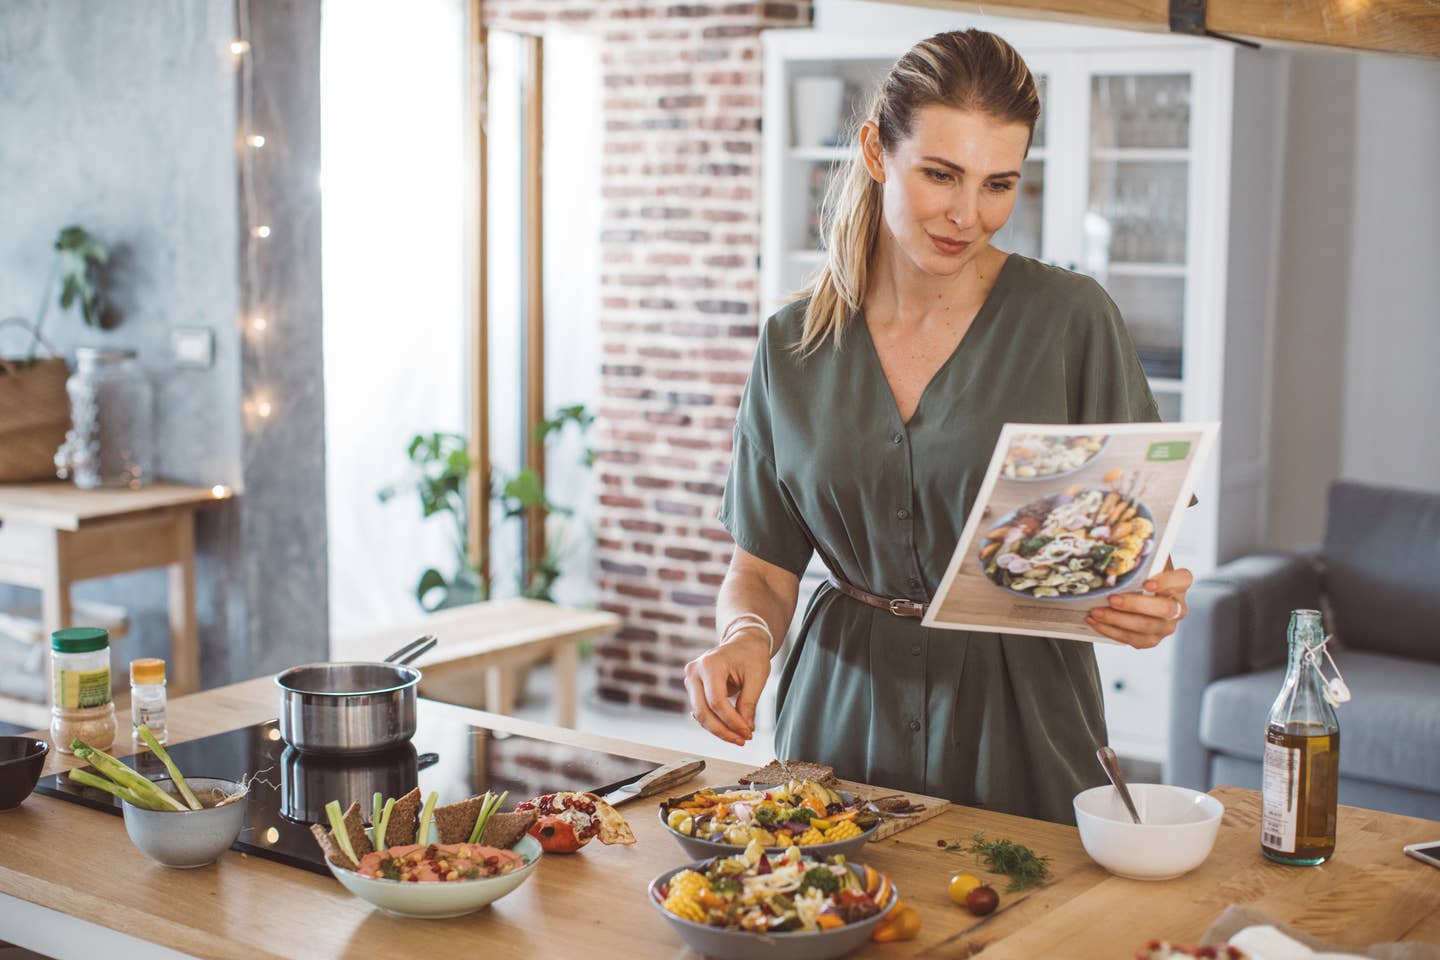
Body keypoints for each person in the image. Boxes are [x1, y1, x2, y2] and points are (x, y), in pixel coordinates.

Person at [683, 29, 1195, 824]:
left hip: (1027, 720)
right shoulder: (791, 344)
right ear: (877, 152)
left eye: (999, 184)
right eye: (941, 175)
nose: (968, 215)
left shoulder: (1071, 319)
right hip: (840, 716)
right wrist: (748, 635)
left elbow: (1132, 544)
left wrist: (1149, 603)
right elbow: (764, 567)